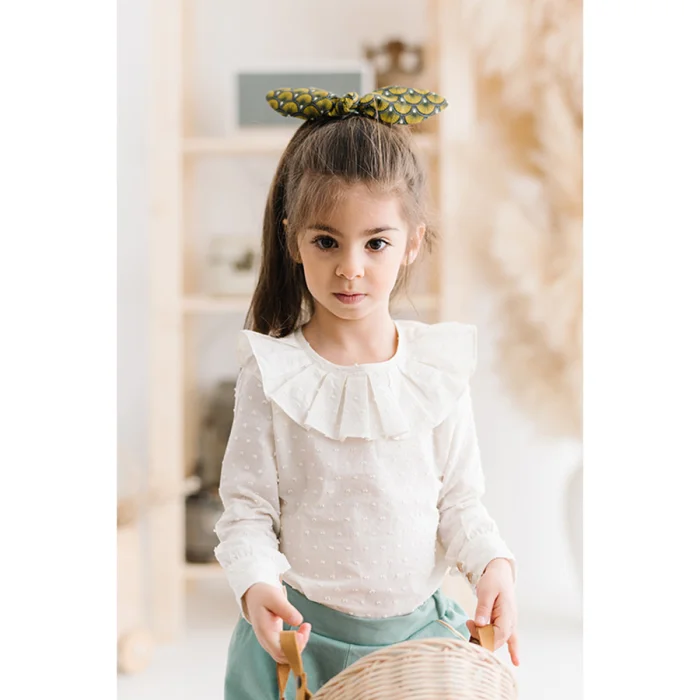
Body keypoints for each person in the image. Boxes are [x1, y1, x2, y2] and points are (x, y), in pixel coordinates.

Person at [214, 86, 518, 700]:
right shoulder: (271, 375)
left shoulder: (434, 370)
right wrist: (255, 586)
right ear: (293, 240)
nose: (350, 267)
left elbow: (460, 503)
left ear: (412, 242)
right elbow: (247, 513)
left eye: (376, 242)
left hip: (417, 650)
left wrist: (494, 565)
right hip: (299, 645)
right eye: (327, 241)